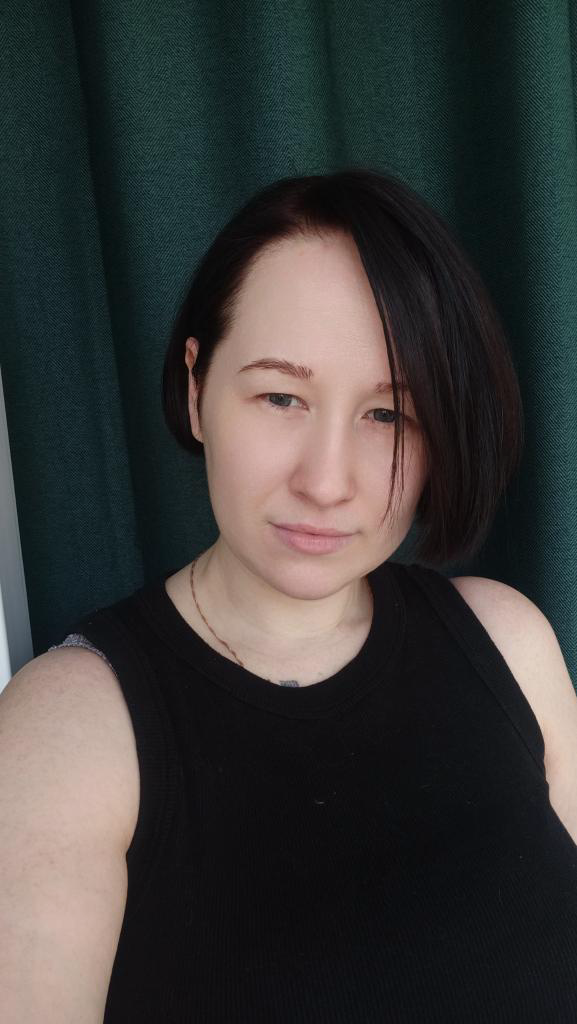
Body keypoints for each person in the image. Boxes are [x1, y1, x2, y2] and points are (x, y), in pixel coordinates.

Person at [2, 167, 577, 1022]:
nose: (326, 482)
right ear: (196, 389)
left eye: (387, 415)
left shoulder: (506, 642)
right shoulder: (71, 730)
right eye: (280, 396)